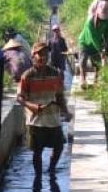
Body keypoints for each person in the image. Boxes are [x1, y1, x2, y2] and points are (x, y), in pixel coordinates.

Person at [16, 42, 72, 176]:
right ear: (33, 57)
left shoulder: (55, 74)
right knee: (38, 151)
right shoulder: (27, 76)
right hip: (35, 120)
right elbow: (19, 98)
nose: (43, 57)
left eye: (45, 54)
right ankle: (38, 175)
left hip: (53, 118)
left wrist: (65, 111)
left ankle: (51, 169)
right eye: (39, 54)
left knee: (59, 146)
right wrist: (33, 106)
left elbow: (59, 96)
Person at [76, 0, 108, 87]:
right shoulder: (90, 22)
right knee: (83, 61)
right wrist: (100, 50)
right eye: (101, 18)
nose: (103, 20)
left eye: (104, 18)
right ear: (97, 13)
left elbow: (106, 34)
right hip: (85, 42)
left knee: (97, 64)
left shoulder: (107, 20)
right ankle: (82, 80)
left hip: (96, 44)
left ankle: (96, 81)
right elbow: (92, 37)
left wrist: (105, 46)